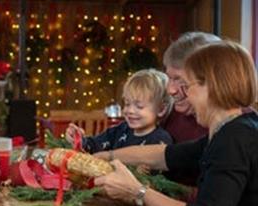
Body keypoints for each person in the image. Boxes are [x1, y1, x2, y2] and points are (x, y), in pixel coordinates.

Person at [94, 41, 258, 206]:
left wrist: (137, 192)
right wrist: (109, 156)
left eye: (188, 86)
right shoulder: (234, 128)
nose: (184, 95)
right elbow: (166, 155)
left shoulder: (234, 139)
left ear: (212, 86)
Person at [95, 32, 222, 186]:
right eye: (169, 78)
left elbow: (207, 205)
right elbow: (159, 154)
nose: (170, 90)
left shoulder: (228, 129)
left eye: (180, 79)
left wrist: (140, 192)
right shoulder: (170, 112)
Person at [65, 69, 173, 156]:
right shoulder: (119, 130)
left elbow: (156, 179)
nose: (129, 110)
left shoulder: (160, 140)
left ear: (161, 109)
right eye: (127, 104)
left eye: (139, 106)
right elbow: (93, 145)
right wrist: (78, 139)